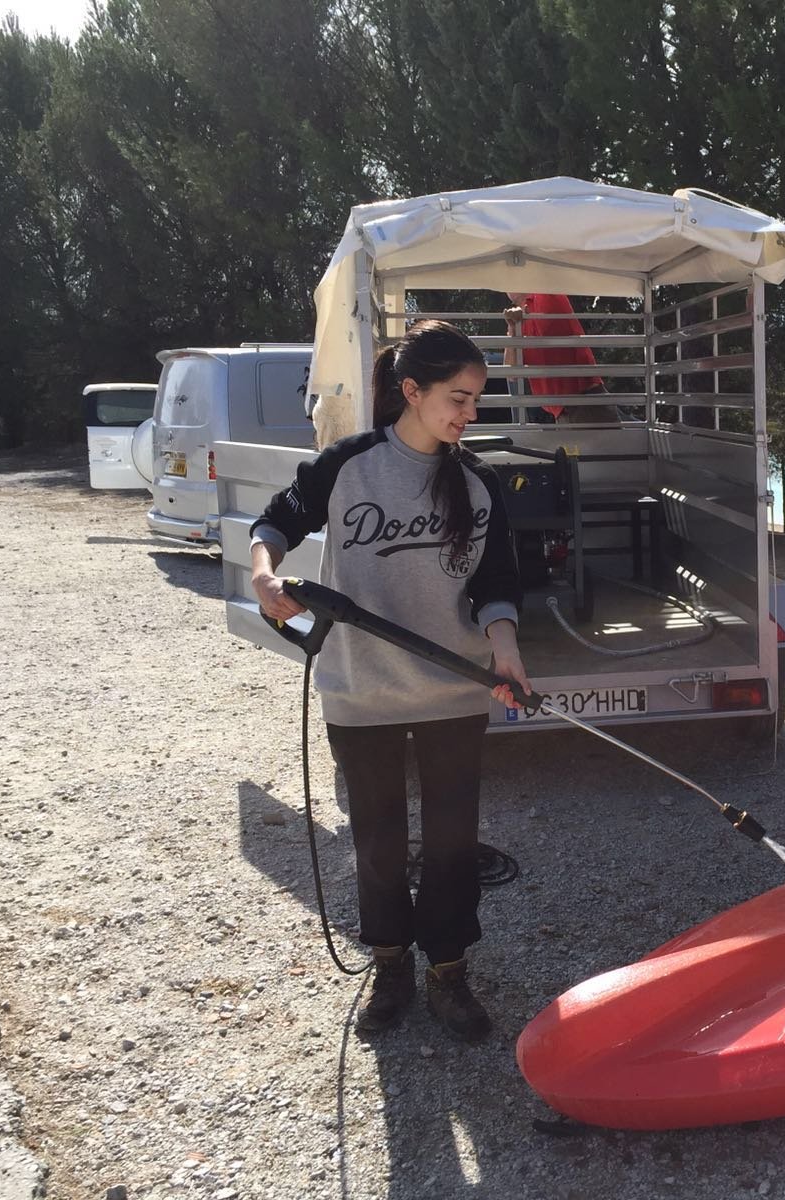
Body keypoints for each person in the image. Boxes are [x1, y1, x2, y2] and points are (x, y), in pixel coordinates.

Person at [249, 320, 531, 1043]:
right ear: (411, 390)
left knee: (451, 843)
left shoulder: (478, 482)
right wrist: (263, 575)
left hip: (451, 689)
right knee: (375, 841)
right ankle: (389, 964)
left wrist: (505, 650)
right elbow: (277, 520)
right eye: (458, 398)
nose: (469, 415)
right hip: (359, 687)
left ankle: (447, 970)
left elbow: (499, 584)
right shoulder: (349, 465)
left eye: (476, 401)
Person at [503, 292, 621, 423]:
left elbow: (550, 332)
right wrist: (513, 329)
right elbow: (511, 373)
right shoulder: (519, 318)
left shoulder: (545, 293)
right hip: (565, 412)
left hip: (584, 404)